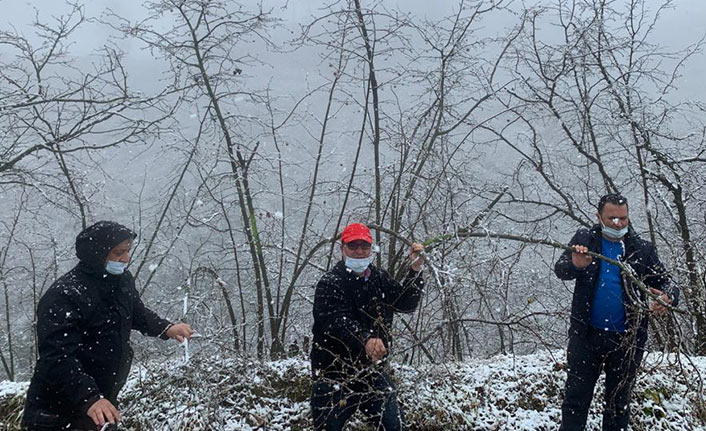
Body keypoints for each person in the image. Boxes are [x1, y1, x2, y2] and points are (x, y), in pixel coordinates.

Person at [22, 221, 193, 430]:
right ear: (98, 254)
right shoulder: (65, 295)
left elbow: (136, 312)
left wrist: (165, 328)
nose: (126, 259)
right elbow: (58, 357)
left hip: (100, 403)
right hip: (56, 410)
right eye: (119, 253)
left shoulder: (121, 280)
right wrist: (90, 397)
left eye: (128, 251)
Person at [555, 194, 678, 430]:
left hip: (627, 342)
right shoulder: (585, 240)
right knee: (575, 400)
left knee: (617, 404)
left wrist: (668, 297)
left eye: (623, 218)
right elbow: (561, 269)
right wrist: (576, 265)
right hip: (586, 336)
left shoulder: (641, 249)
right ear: (598, 216)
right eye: (611, 218)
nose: (618, 224)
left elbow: (667, 283)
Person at [310, 222, 424, 431]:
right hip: (333, 375)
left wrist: (415, 271)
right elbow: (336, 322)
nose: (359, 251)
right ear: (342, 248)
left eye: (364, 246)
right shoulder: (330, 283)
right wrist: (365, 339)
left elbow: (405, 303)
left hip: (372, 372)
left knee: (395, 427)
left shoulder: (378, 278)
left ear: (371, 248)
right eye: (353, 246)